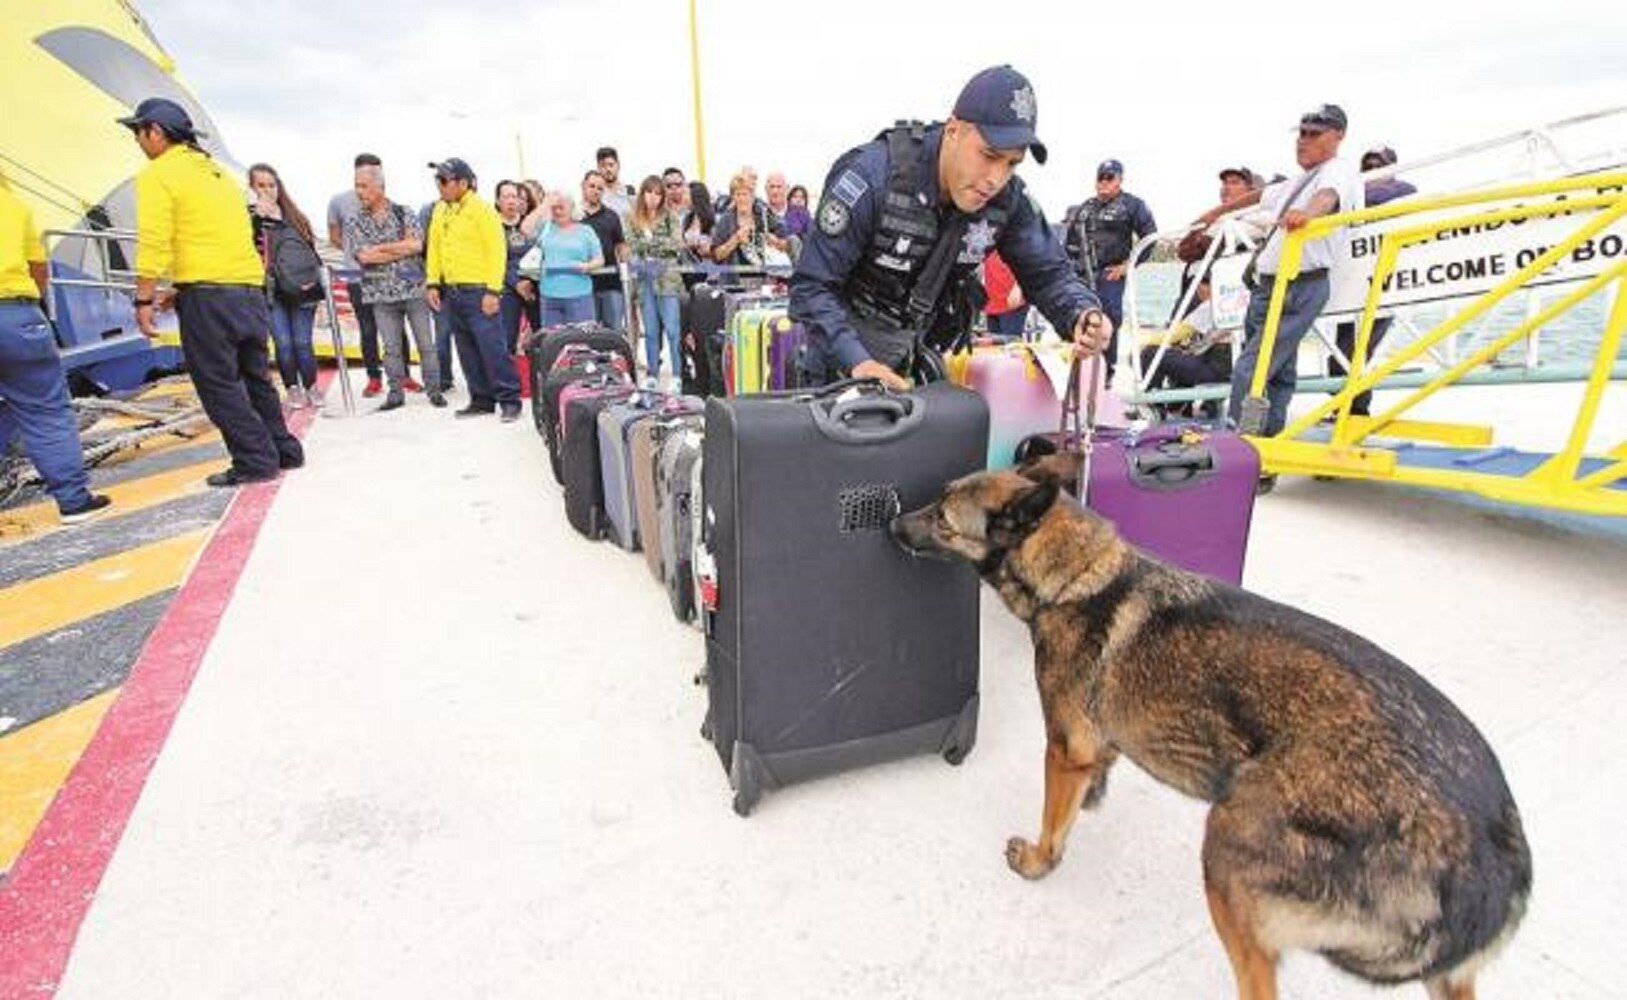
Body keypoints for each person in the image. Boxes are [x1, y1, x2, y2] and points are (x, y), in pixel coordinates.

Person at [790, 65, 1109, 390]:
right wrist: (859, 363)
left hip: (919, 357)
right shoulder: (870, 178)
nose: (995, 178)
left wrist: (1082, 314)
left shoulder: (1009, 199)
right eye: (989, 155)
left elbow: (1049, 274)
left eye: (1012, 163)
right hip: (841, 363)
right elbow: (812, 286)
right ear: (953, 130)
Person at [121, 98, 303, 485]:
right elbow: (222, 236)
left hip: (209, 297)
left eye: (138, 132)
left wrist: (144, 298)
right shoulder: (218, 175)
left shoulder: (158, 175)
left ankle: (255, 461)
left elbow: (154, 241)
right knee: (255, 376)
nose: (138, 141)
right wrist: (181, 286)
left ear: (155, 132)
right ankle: (284, 449)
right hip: (247, 291)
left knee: (218, 382)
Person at [1224, 104, 1364, 442]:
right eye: (1301, 133)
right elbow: (1260, 196)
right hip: (1270, 285)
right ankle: (1267, 444)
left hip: (1298, 284)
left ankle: (1239, 441)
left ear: (1338, 136)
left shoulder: (1337, 170)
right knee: (1279, 371)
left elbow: (1327, 198)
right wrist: (1216, 211)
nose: (1303, 141)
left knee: (1252, 367)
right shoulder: (1300, 180)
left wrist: (1307, 214)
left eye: (1314, 134)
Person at [0, 174, 111, 522]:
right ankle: (73, 501)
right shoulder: (13, 203)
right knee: (45, 412)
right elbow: (38, 267)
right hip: (16, 314)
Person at [423, 157, 522, 422]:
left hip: (480, 292)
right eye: (437, 180)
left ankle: (510, 399)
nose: (439, 185)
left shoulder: (482, 210)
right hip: (452, 291)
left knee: (493, 347)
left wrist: (493, 291)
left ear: (463, 183)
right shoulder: (440, 209)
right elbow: (433, 248)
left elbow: (497, 251)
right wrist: (433, 282)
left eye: (444, 180)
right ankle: (481, 399)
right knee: (466, 348)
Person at [1326, 145, 1419, 416]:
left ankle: (1356, 410)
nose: (1371, 170)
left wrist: (1347, 196)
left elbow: (1382, 195)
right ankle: (1342, 407)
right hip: (1352, 279)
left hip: (1384, 283)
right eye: (1366, 166)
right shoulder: (1356, 194)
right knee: (1342, 350)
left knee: (1358, 349)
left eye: (1379, 164)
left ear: (1392, 167)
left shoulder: (1403, 190)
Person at [348, 163, 444, 411]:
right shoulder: (355, 220)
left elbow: (416, 246)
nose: (359, 191)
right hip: (380, 294)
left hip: (413, 289)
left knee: (426, 344)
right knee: (390, 349)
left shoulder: (404, 212)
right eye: (356, 186)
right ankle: (395, 393)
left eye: (363, 186)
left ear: (380, 187)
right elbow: (364, 257)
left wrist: (380, 249)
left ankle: (435, 390)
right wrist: (397, 247)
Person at [1061, 158, 1157, 380]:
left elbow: (1150, 239)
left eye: (1109, 177)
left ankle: (1107, 373)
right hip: (1082, 274)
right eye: (1100, 178)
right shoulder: (1084, 208)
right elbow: (1069, 244)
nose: (1104, 182)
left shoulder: (1133, 205)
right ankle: (1080, 371)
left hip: (1110, 275)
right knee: (1081, 319)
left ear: (1120, 180)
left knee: (1109, 320)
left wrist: (1127, 267)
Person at [246, 163, 322, 409]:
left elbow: (311, 254)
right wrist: (257, 217)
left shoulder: (295, 218)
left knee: (302, 341)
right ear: (251, 188)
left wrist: (278, 220)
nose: (267, 190)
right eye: (261, 185)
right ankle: (292, 388)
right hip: (271, 290)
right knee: (283, 343)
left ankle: (311, 386)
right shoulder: (248, 219)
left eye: (272, 185)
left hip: (301, 288)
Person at [329, 153, 392, 397]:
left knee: (394, 328)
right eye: (370, 172)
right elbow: (335, 237)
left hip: (386, 276)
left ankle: (403, 374)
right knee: (368, 329)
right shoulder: (338, 202)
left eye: (379, 172)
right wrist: (354, 252)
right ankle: (374, 378)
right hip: (356, 276)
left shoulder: (389, 202)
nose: (376, 177)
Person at [626, 175, 686, 388]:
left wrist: (650, 244)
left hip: (668, 279)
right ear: (643, 194)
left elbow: (677, 244)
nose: (653, 198)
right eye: (649, 192)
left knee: (672, 330)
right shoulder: (632, 218)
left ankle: (678, 375)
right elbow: (632, 246)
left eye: (658, 193)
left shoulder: (670, 217)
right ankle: (652, 374)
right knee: (650, 330)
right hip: (644, 280)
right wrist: (653, 246)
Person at [533, 190, 603, 326]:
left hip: (579, 294)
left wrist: (587, 266)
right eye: (554, 208)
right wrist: (545, 204)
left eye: (561, 208)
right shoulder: (545, 228)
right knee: (552, 342)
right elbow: (525, 228)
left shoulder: (586, 231)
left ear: (572, 209)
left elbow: (599, 259)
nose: (558, 211)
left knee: (580, 342)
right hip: (549, 294)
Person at [579, 170, 628, 330]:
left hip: (611, 284)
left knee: (614, 331)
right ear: (583, 187)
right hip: (584, 285)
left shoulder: (612, 216)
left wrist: (626, 266)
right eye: (592, 186)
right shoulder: (574, 216)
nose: (595, 191)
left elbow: (620, 245)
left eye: (600, 188)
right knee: (589, 333)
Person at [494, 179, 538, 355]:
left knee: (541, 337)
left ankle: (538, 379)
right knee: (507, 340)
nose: (511, 201)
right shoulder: (492, 227)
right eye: (506, 197)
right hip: (507, 288)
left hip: (533, 285)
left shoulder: (530, 225)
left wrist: (529, 281)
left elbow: (539, 255)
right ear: (498, 201)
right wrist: (516, 282)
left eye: (514, 196)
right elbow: (496, 260)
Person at [712, 173, 789, 268]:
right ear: (733, 197)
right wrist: (735, 240)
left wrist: (775, 242)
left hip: (766, 278)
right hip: (734, 279)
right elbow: (716, 256)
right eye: (737, 194)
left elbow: (786, 245)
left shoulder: (764, 214)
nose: (741, 199)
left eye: (745, 194)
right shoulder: (725, 220)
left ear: (752, 196)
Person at [981, 250, 1027, 340]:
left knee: (1011, 345)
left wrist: (1019, 286)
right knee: (994, 348)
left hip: (1012, 300)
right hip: (992, 301)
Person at [595, 146, 635, 218]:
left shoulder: (630, 192)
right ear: (598, 168)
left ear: (618, 165)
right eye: (603, 166)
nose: (608, 169)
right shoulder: (596, 195)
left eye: (611, 165)